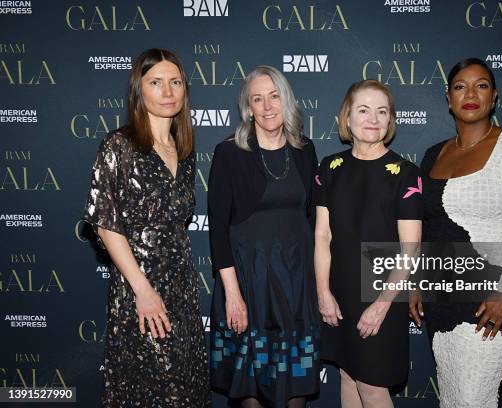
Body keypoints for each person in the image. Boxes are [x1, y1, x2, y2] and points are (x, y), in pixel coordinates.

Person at [411, 57, 502, 407]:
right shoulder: (433, 155)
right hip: (441, 297)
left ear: (494, 97)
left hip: (492, 299)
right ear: (448, 97)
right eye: (460, 86)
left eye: (481, 85)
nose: (470, 93)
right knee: (453, 398)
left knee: (476, 398)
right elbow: (429, 227)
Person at [82, 48, 210, 406]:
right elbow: (106, 225)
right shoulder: (119, 146)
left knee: (185, 388)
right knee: (148, 390)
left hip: (181, 288)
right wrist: (143, 290)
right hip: (139, 289)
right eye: (156, 83)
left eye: (175, 82)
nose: (168, 91)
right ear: (140, 90)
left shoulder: (183, 150)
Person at [208, 65, 320, 408]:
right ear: (248, 108)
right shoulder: (229, 153)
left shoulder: (305, 150)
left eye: (274, 96)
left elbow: (314, 221)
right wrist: (233, 295)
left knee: (296, 390)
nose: (268, 106)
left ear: (286, 101)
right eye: (258, 99)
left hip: (296, 288)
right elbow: (218, 232)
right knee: (251, 391)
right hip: (248, 285)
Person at [314, 79, 423, 408]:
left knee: (373, 386)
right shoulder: (330, 167)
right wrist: (323, 293)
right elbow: (322, 235)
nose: (373, 118)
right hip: (339, 293)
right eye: (363, 110)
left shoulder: (405, 174)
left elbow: (411, 249)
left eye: (382, 111)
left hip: (384, 294)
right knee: (348, 375)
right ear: (347, 118)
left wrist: (381, 306)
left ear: (390, 120)